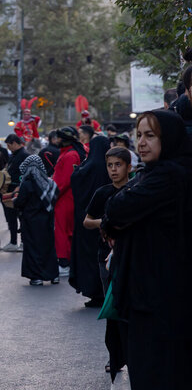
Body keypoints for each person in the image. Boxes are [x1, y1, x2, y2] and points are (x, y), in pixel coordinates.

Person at [103, 110, 192, 388]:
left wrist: (118, 219)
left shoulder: (169, 175)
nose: (141, 142)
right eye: (139, 135)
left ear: (169, 138)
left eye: (150, 136)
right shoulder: (153, 173)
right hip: (151, 291)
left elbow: (117, 209)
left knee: (157, 371)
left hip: (161, 294)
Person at [83, 146, 132, 381]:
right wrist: (105, 222)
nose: (114, 170)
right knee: (112, 310)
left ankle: (132, 354)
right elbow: (87, 221)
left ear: (129, 167)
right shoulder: (102, 193)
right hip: (106, 259)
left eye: (118, 165)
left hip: (132, 258)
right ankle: (114, 357)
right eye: (110, 165)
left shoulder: (136, 191)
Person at [69, 135, 111, 307]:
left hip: (86, 218)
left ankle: (93, 291)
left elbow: (75, 181)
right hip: (104, 220)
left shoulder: (88, 167)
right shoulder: (108, 167)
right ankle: (102, 292)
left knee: (88, 257)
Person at [13, 155, 59, 285]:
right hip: (47, 220)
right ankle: (53, 275)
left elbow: (20, 202)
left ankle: (36, 277)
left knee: (33, 248)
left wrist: (14, 201)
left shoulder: (27, 184)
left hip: (31, 222)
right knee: (49, 247)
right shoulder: (50, 183)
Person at [52, 127, 86, 277]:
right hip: (68, 197)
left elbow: (64, 181)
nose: (56, 140)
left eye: (58, 138)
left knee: (62, 231)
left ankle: (64, 262)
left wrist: (52, 194)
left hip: (64, 198)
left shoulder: (69, 155)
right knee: (67, 231)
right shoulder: (71, 153)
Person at [1, 134, 29, 252]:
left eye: (9, 145)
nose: (8, 148)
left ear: (15, 143)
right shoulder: (14, 155)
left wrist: (19, 185)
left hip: (18, 190)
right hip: (10, 189)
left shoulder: (24, 155)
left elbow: (26, 174)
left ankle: (23, 242)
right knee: (11, 217)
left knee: (21, 217)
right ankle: (13, 242)